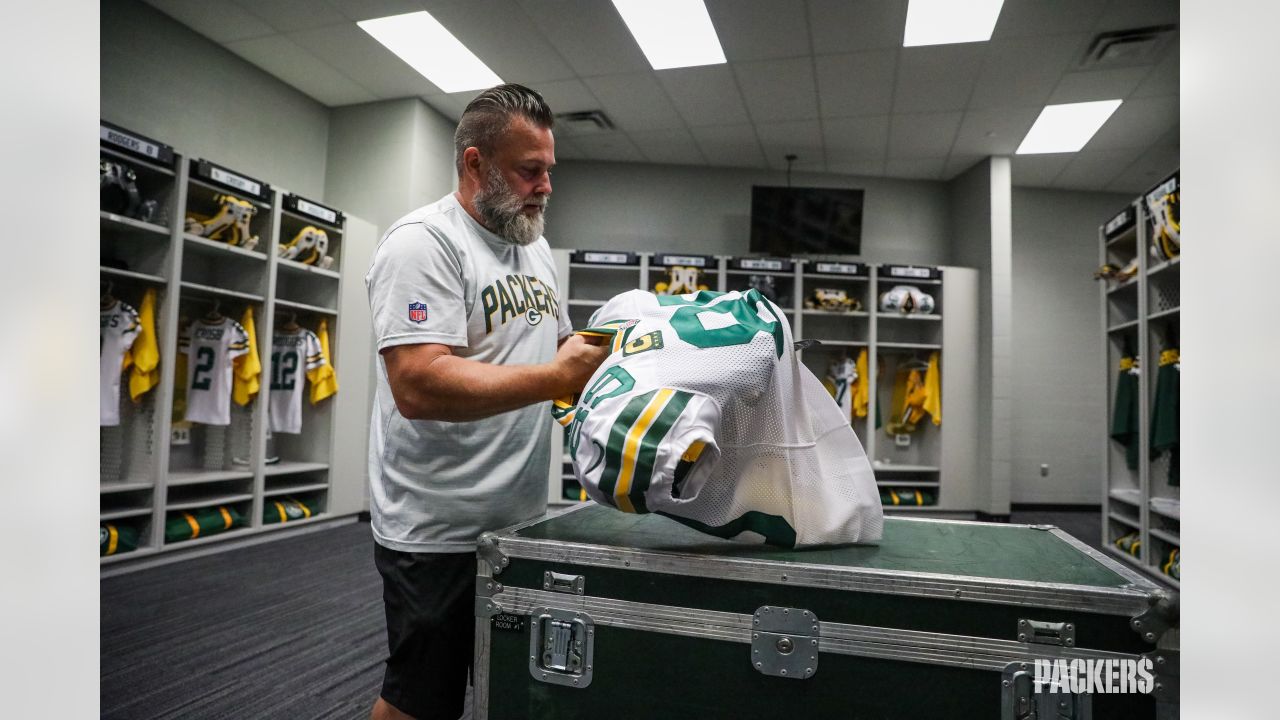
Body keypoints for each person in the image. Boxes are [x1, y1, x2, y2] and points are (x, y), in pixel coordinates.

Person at [364, 84, 609, 720]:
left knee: (509, 689)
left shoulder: (533, 247)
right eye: (530, 171)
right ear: (475, 163)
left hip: (516, 519)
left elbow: (555, 349)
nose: (546, 185)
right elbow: (418, 383)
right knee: (420, 700)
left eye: (549, 170)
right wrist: (557, 375)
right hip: (436, 526)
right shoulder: (422, 243)